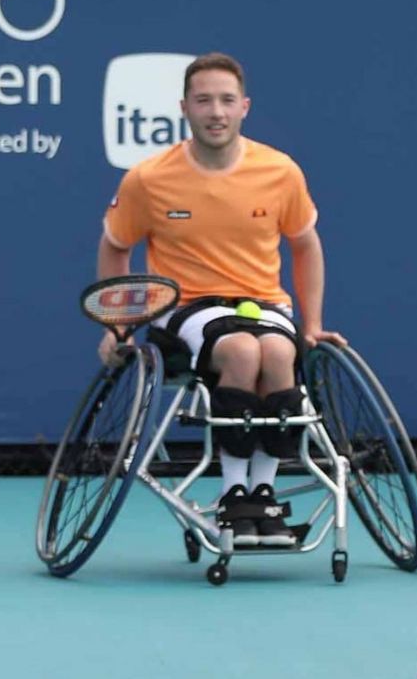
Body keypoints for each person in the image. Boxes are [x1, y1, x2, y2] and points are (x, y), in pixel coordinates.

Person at [98, 52, 346, 548]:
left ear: (245, 107)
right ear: (184, 108)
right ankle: (234, 491)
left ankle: (263, 493)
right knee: (240, 350)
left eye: (227, 100)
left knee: (279, 351)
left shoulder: (279, 171)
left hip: (264, 304)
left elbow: (305, 245)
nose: (216, 111)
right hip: (186, 306)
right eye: (204, 100)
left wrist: (313, 324)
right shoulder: (148, 178)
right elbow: (115, 246)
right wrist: (118, 327)